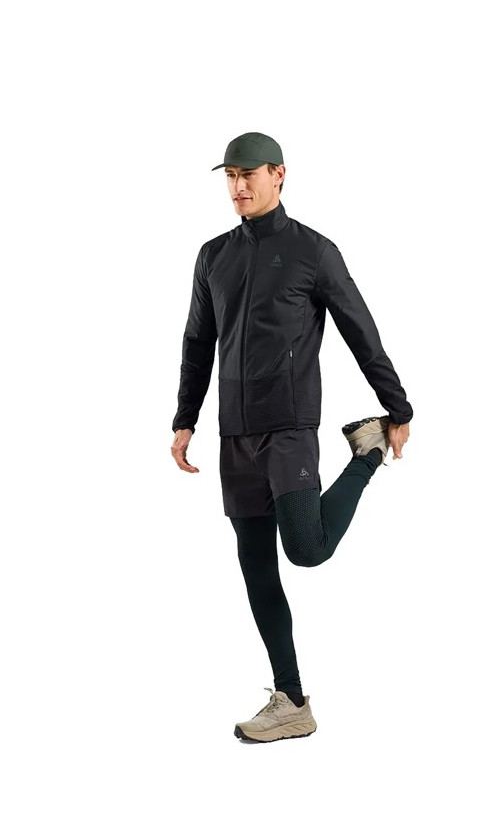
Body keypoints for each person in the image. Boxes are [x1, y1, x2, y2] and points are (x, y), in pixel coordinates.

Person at [170, 132, 413, 743]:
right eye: (230, 176)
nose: (238, 187)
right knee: (257, 568)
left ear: (279, 175)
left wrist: (397, 405)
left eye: (248, 174)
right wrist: (184, 417)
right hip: (235, 433)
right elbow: (198, 341)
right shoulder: (213, 256)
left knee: (306, 549)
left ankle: (367, 452)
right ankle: (291, 701)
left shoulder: (313, 251)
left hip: (289, 426)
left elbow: (360, 328)